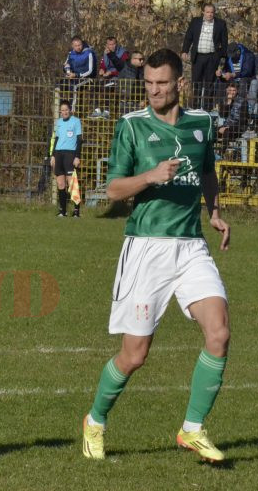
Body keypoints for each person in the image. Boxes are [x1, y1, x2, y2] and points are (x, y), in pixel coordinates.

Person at [81, 48, 231, 464]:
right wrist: (150, 177)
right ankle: (95, 420)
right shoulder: (131, 127)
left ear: (180, 82)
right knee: (135, 355)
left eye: (162, 83)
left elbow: (206, 171)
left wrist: (215, 212)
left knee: (218, 334)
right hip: (146, 248)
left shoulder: (202, 124)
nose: (154, 91)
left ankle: (192, 429)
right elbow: (111, 190)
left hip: (191, 246)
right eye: (148, 83)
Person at [182, 3, 228, 107]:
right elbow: (188, 37)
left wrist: (222, 59)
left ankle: (208, 107)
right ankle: (195, 106)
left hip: (212, 57)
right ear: (203, 12)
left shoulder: (221, 24)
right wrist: (185, 50)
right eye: (207, 12)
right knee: (196, 82)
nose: (209, 14)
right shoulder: (195, 22)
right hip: (198, 57)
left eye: (212, 12)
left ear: (214, 13)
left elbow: (224, 42)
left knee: (209, 83)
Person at [48, 100, 83, 217]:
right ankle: (63, 210)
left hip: (70, 154)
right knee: (60, 184)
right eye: (62, 110)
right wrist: (53, 155)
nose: (64, 112)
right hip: (58, 154)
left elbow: (79, 140)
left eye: (66, 110)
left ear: (70, 110)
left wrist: (77, 156)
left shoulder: (76, 121)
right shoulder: (59, 122)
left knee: (72, 183)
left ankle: (76, 211)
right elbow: (56, 139)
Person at [62, 36, 97, 112]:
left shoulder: (89, 53)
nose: (78, 47)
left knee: (74, 86)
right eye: (76, 46)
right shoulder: (71, 54)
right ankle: (61, 108)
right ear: (72, 46)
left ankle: (71, 110)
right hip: (74, 77)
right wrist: (67, 71)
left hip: (87, 78)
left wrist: (76, 75)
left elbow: (90, 70)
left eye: (79, 45)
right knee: (59, 85)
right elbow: (66, 64)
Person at [216, 82, 245, 157]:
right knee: (213, 131)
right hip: (226, 125)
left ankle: (221, 153)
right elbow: (222, 115)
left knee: (226, 131)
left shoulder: (242, 101)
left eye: (234, 90)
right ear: (227, 91)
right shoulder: (224, 100)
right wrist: (228, 103)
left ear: (237, 91)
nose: (232, 92)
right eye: (230, 90)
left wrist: (228, 127)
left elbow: (243, 119)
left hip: (237, 127)